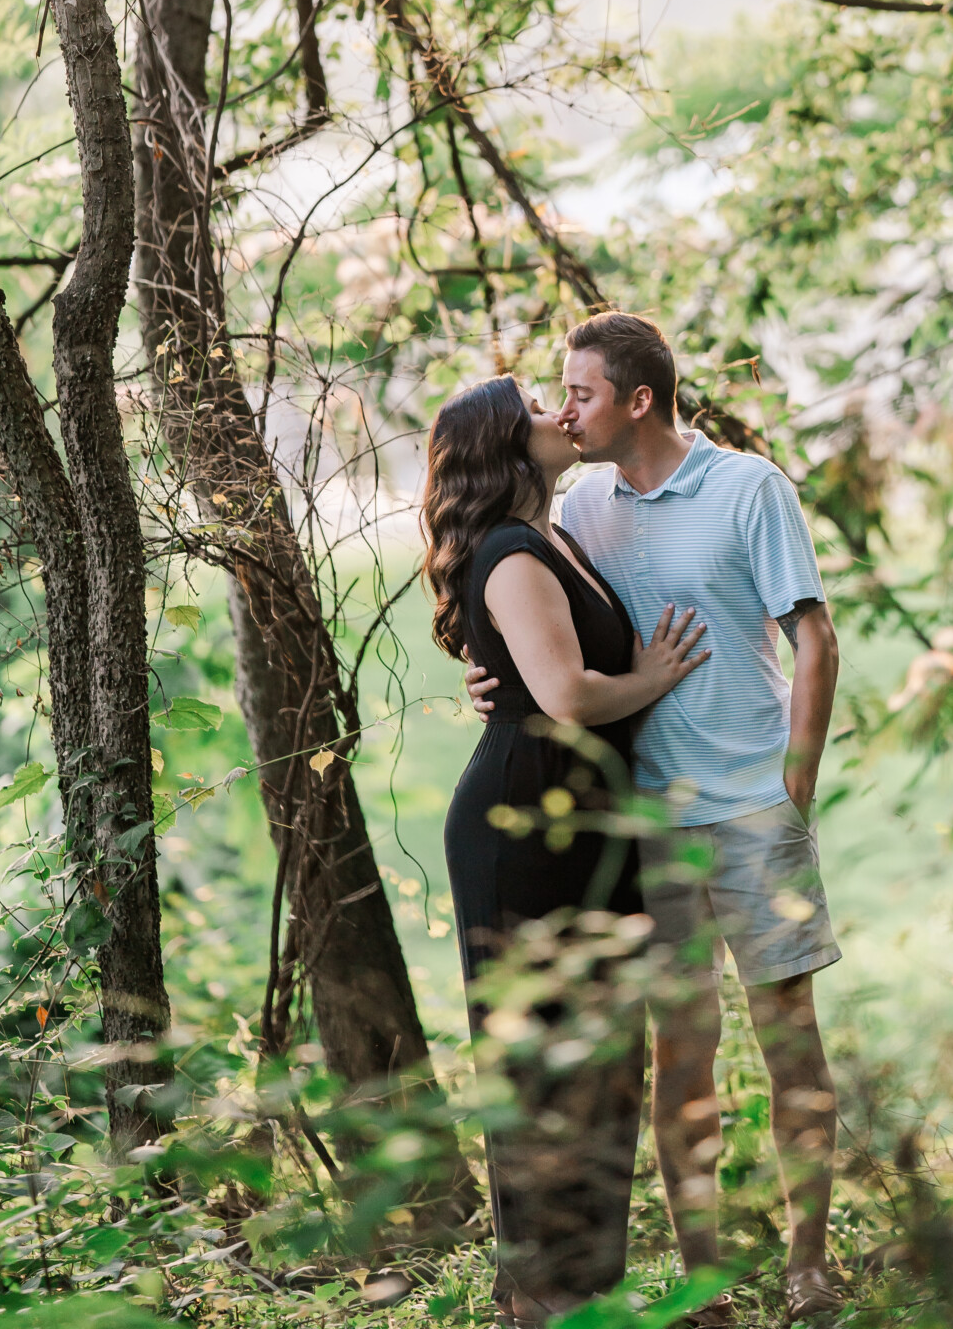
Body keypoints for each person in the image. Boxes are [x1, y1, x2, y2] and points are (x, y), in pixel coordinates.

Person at [468, 316, 844, 1324]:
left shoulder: (749, 489)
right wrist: (498, 681)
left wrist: (793, 789)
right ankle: (703, 1278)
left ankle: (809, 1262)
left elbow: (813, 636)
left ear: (638, 400)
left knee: (790, 1041)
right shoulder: (584, 505)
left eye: (579, 391)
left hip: (756, 812)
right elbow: (537, 612)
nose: (565, 408)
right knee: (681, 1060)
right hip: (649, 828)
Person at [423, 372, 710, 1325]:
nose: (558, 415)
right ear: (507, 444)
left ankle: (584, 1283)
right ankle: (544, 1294)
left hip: (581, 820)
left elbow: (534, 669)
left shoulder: (551, 536)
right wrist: (654, 675)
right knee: (545, 1058)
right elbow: (571, 697)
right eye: (538, 409)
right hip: (525, 830)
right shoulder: (510, 551)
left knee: (599, 1055)